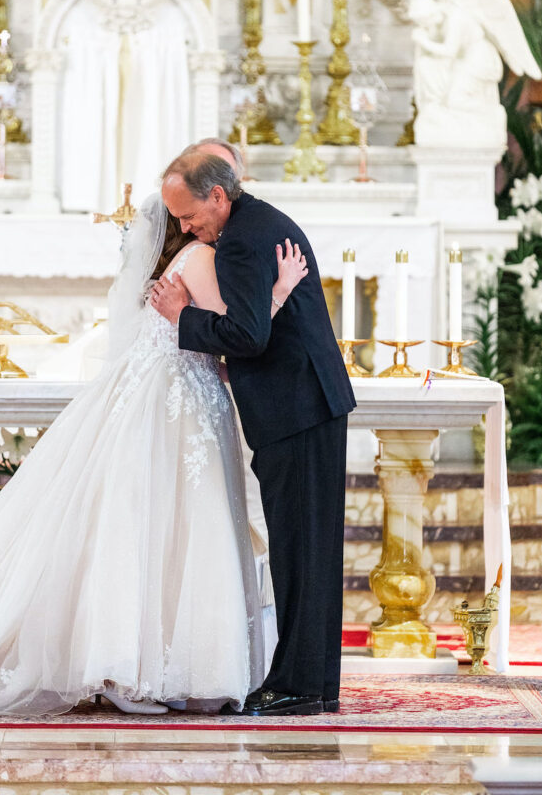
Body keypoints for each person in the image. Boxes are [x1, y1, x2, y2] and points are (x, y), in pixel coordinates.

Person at [0, 195, 307, 720]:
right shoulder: (201, 257)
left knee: (146, 526)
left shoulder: (174, 266)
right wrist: (279, 292)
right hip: (179, 405)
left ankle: (143, 668)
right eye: (188, 217)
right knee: (178, 526)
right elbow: (239, 334)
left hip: (163, 394)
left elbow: (204, 342)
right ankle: (147, 669)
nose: (201, 224)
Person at [152, 153, 356, 717]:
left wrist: (180, 315)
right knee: (309, 551)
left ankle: (298, 685)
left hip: (296, 409)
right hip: (307, 404)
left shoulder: (241, 241)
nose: (185, 227)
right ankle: (313, 684)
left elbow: (248, 335)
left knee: (299, 552)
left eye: (189, 215)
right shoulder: (256, 223)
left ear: (217, 196)